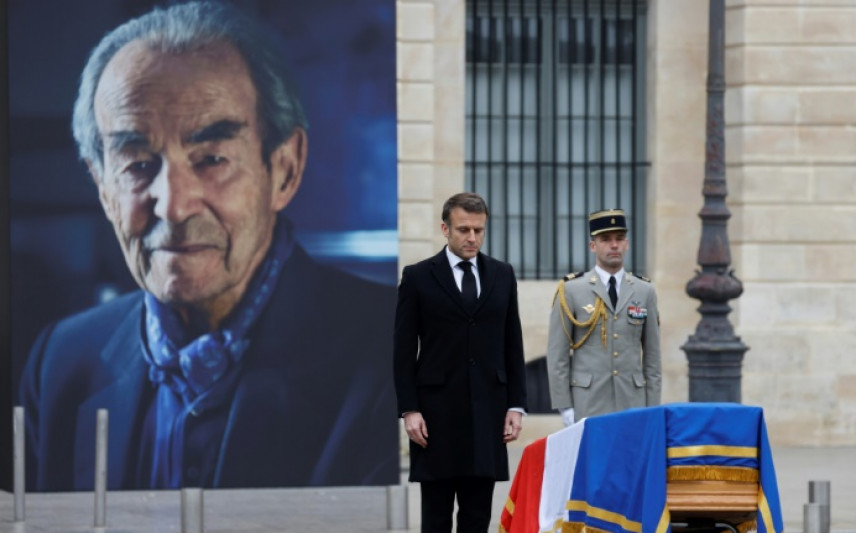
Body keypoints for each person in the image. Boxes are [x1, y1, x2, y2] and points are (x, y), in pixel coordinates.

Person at [19, 1, 397, 491]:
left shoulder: (400, 352)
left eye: (212, 159)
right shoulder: (61, 363)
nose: (174, 206)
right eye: (137, 165)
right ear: (103, 188)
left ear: (284, 170)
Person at [393, 192, 527, 533]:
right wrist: (409, 409)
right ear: (445, 229)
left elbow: (513, 343)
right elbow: (403, 350)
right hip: (435, 417)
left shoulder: (502, 274)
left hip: (488, 413)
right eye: (464, 230)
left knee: (477, 518)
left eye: (478, 230)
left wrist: (516, 405)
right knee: (435, 519)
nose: (472, 238)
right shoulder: (418, 276)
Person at [546, 209, 661, 426]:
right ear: (593, 246)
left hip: (633, 402)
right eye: (606, 239)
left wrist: (653, 406)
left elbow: (653, 358)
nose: (614, 245)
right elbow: (557, 354)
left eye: (619, 239)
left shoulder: (644, 290)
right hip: (587, 402)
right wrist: (565, 406)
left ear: (627, 244)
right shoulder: (572, 290)